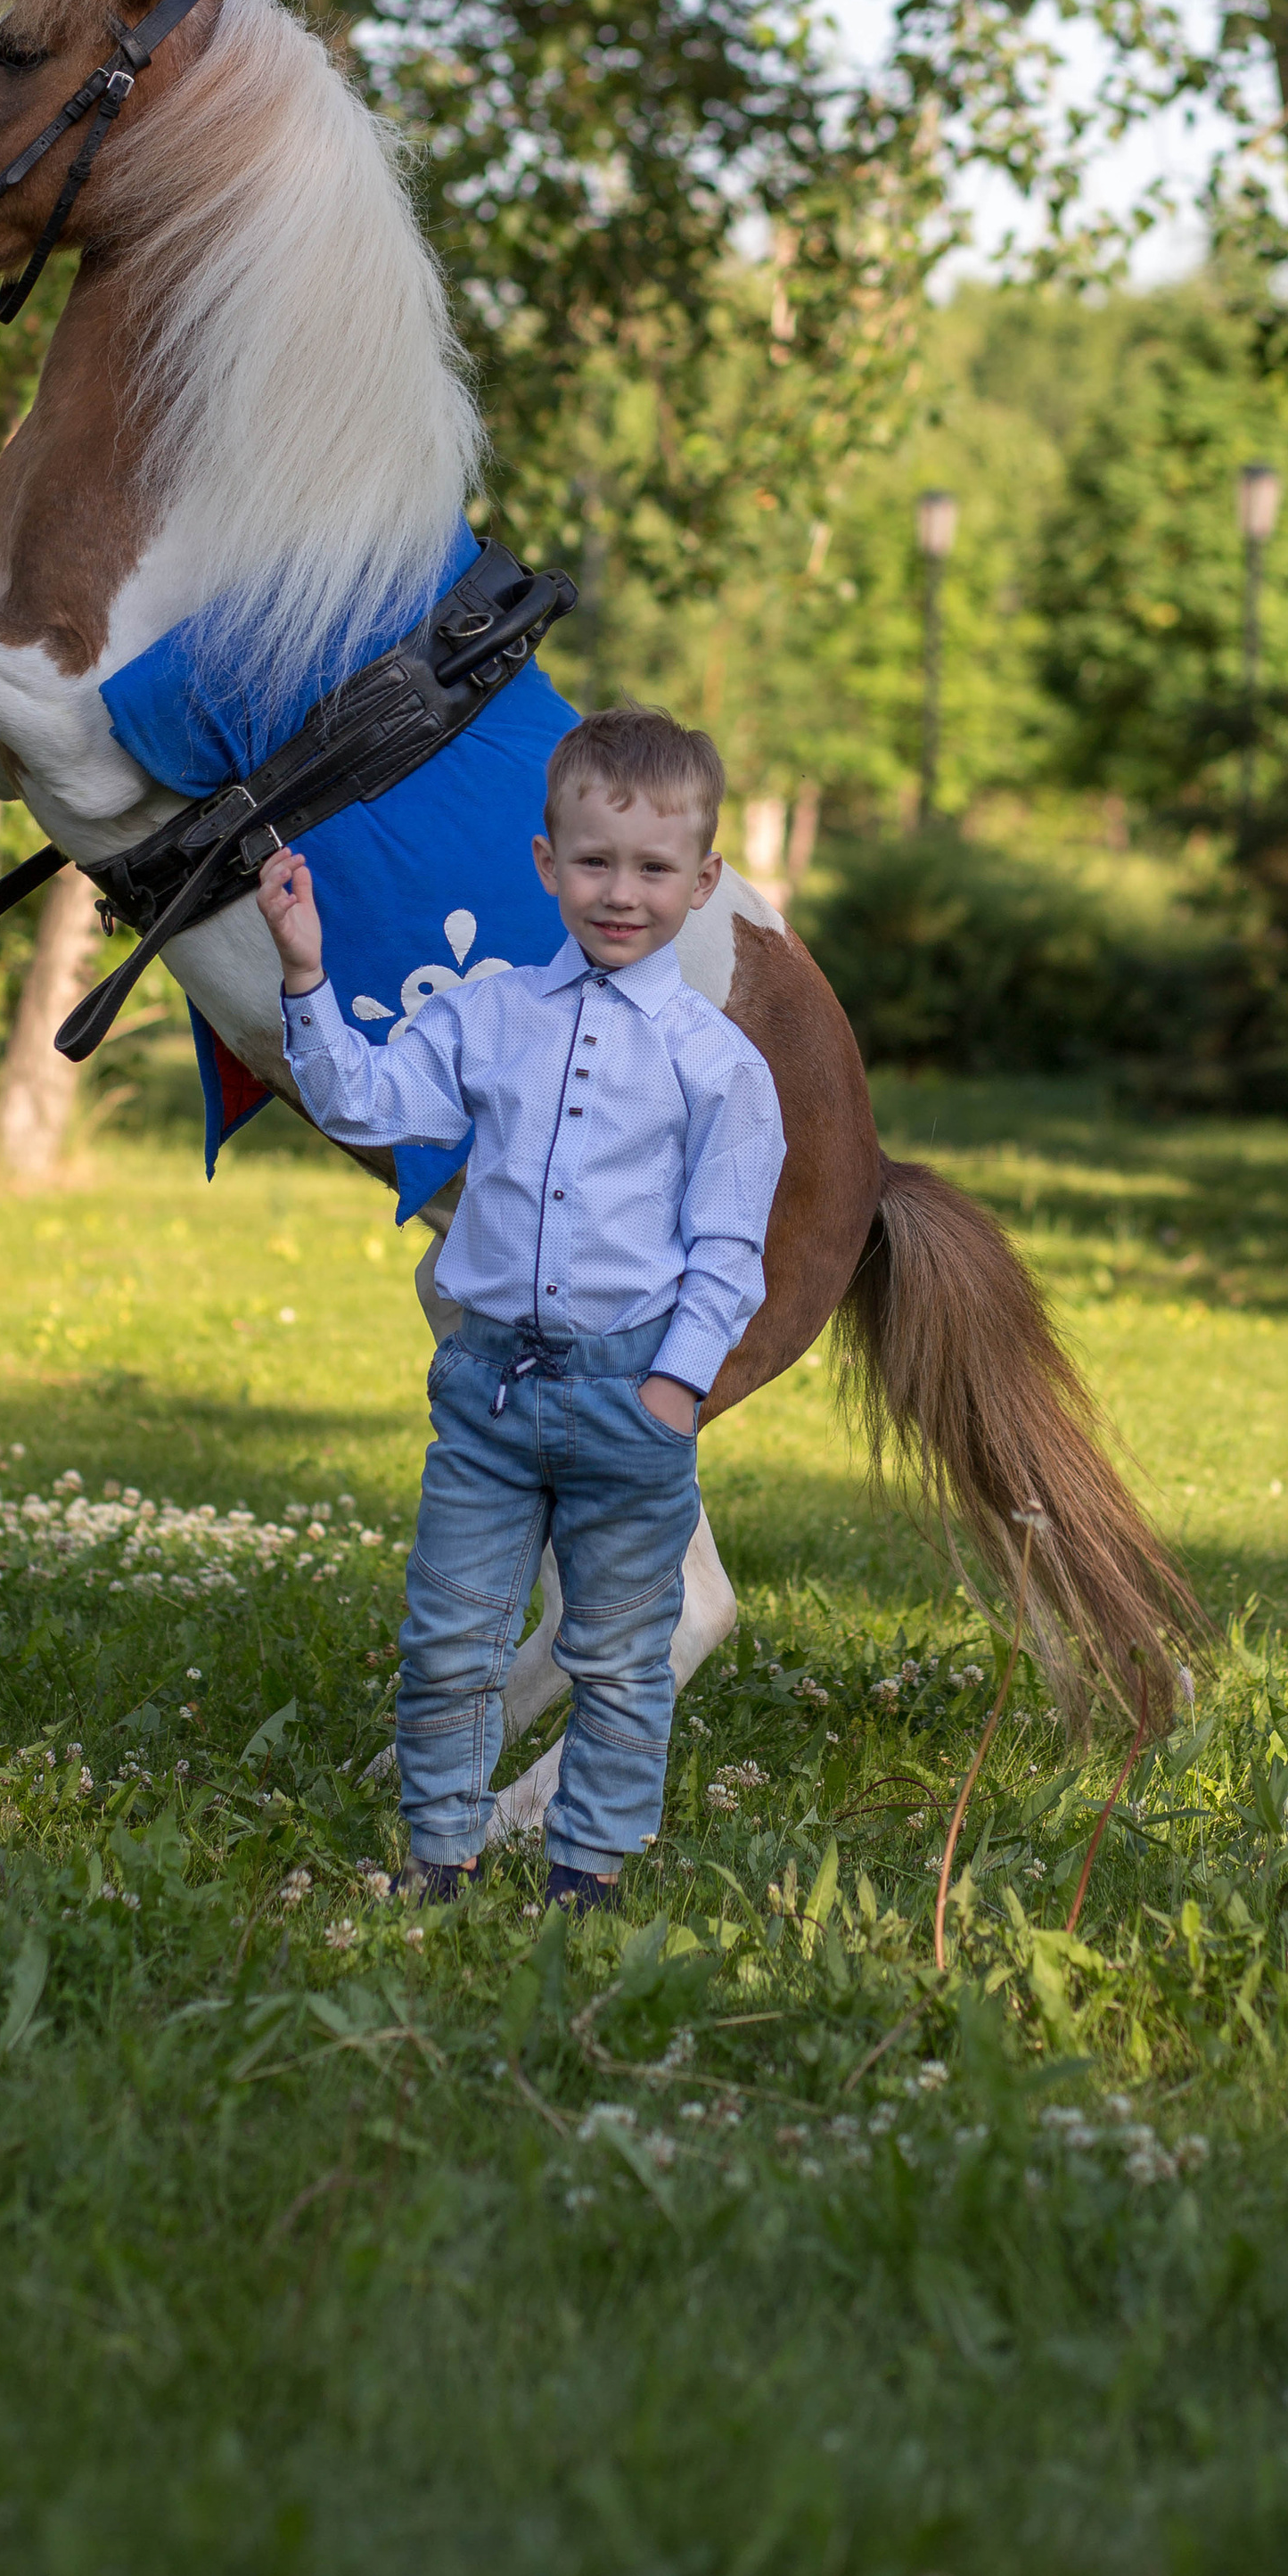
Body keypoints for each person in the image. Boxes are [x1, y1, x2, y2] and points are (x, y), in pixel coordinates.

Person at [258, 704, 785, 1913]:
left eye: (654, 869)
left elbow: (727, 1251)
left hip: (629, 1398)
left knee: (621, 1655)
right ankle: (438, 1859)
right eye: (594, 861)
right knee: (450, 1637)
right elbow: (365, 1101)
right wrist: (305, 972)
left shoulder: (720, 1067)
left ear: (703, 882)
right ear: (547, 863)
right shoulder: (488, 1015)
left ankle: (585, 1876)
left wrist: (673, 1390)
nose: (621, 893)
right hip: (488, 1395)